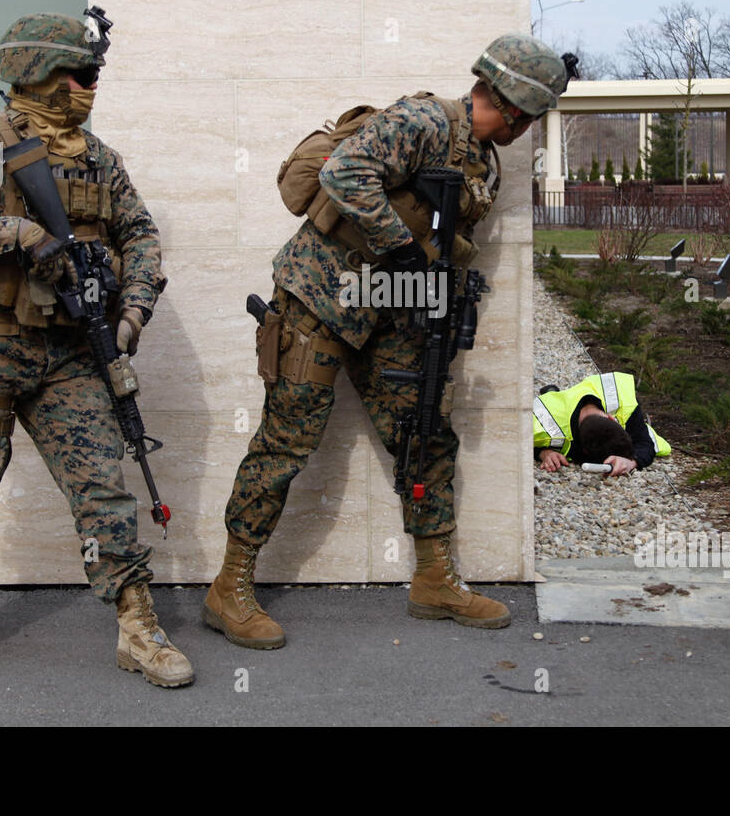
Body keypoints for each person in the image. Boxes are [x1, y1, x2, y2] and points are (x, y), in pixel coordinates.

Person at [205, 34, 577, 649]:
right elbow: (343, 172)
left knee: (424, 431)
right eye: (533, 117)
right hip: (321, 297)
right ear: (516, 108)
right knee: (286, 441)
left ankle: (434, 579)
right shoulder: (425, 122)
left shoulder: (484, 161)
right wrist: (402, 248)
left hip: (393, 310)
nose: (529, 128)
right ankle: (229, 587)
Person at [0, 9, 192, 689]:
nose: (90, 87)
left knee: (103, 487)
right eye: (80, 74)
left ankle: (137, 624)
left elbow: (140, 236)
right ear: (38, 73)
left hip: (70, 353)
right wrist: (19, 234)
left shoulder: (98, 158)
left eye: (93, 75)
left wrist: (134, 311)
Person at [533, 371, 671, 475]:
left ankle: (554, 392)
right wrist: (544, 452)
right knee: (551, 399)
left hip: (592, 390)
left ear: (612, 418)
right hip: (556, 407)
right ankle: (551, 394)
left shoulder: (624, 400)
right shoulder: (540, 421)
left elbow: (645, 443)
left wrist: (632, 462)